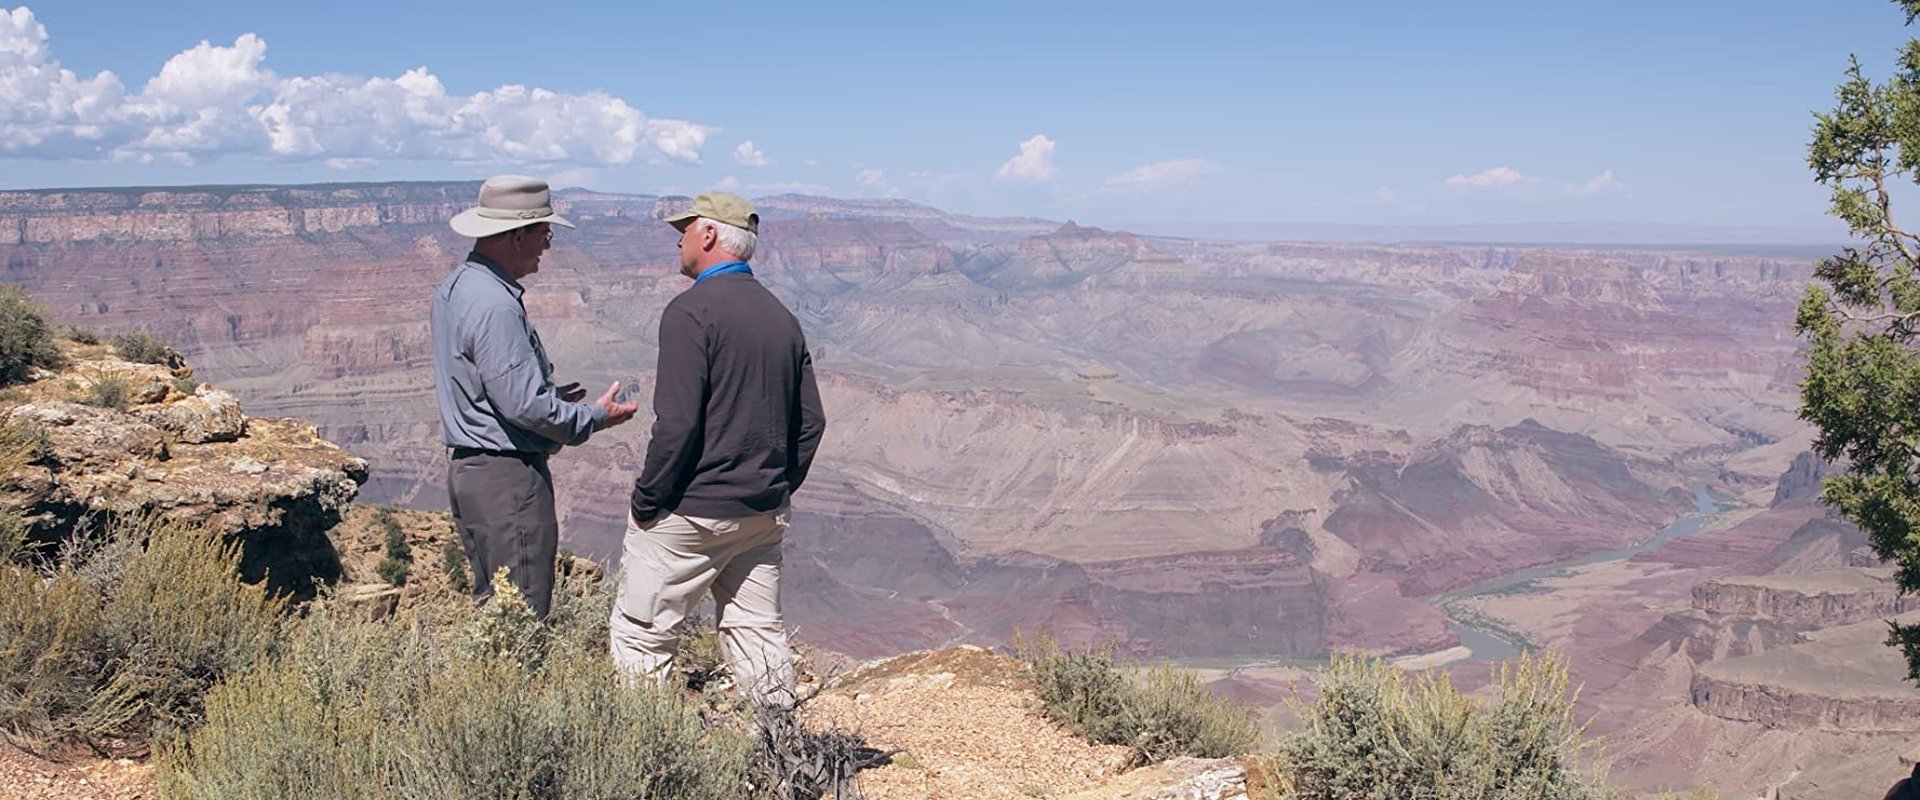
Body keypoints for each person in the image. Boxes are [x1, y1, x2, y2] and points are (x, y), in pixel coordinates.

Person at [610, 191, 826, 708]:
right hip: (761, 513)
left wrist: (647, 500)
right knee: (757, 634)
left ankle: (647, 759)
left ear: (708, 235)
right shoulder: (781, 316)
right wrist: (773, 485)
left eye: (684, 230)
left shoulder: (690, 312)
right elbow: (812, 423)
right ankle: (779, 755)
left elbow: (677, 424)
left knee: (642, 636)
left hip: (692, 513)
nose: (679, 240)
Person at [431, 174, 638, 620]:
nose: (547, 244)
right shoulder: (495, 304)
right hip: (508, 481)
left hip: (472, 473)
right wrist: (594, 416)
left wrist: (547, 394)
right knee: (522, 616)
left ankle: (491, 687)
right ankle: (516, 689)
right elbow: (523, 406)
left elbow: (489, 385)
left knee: (495, 610)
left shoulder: (456, 288)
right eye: (544, 233)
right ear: (517, 233)